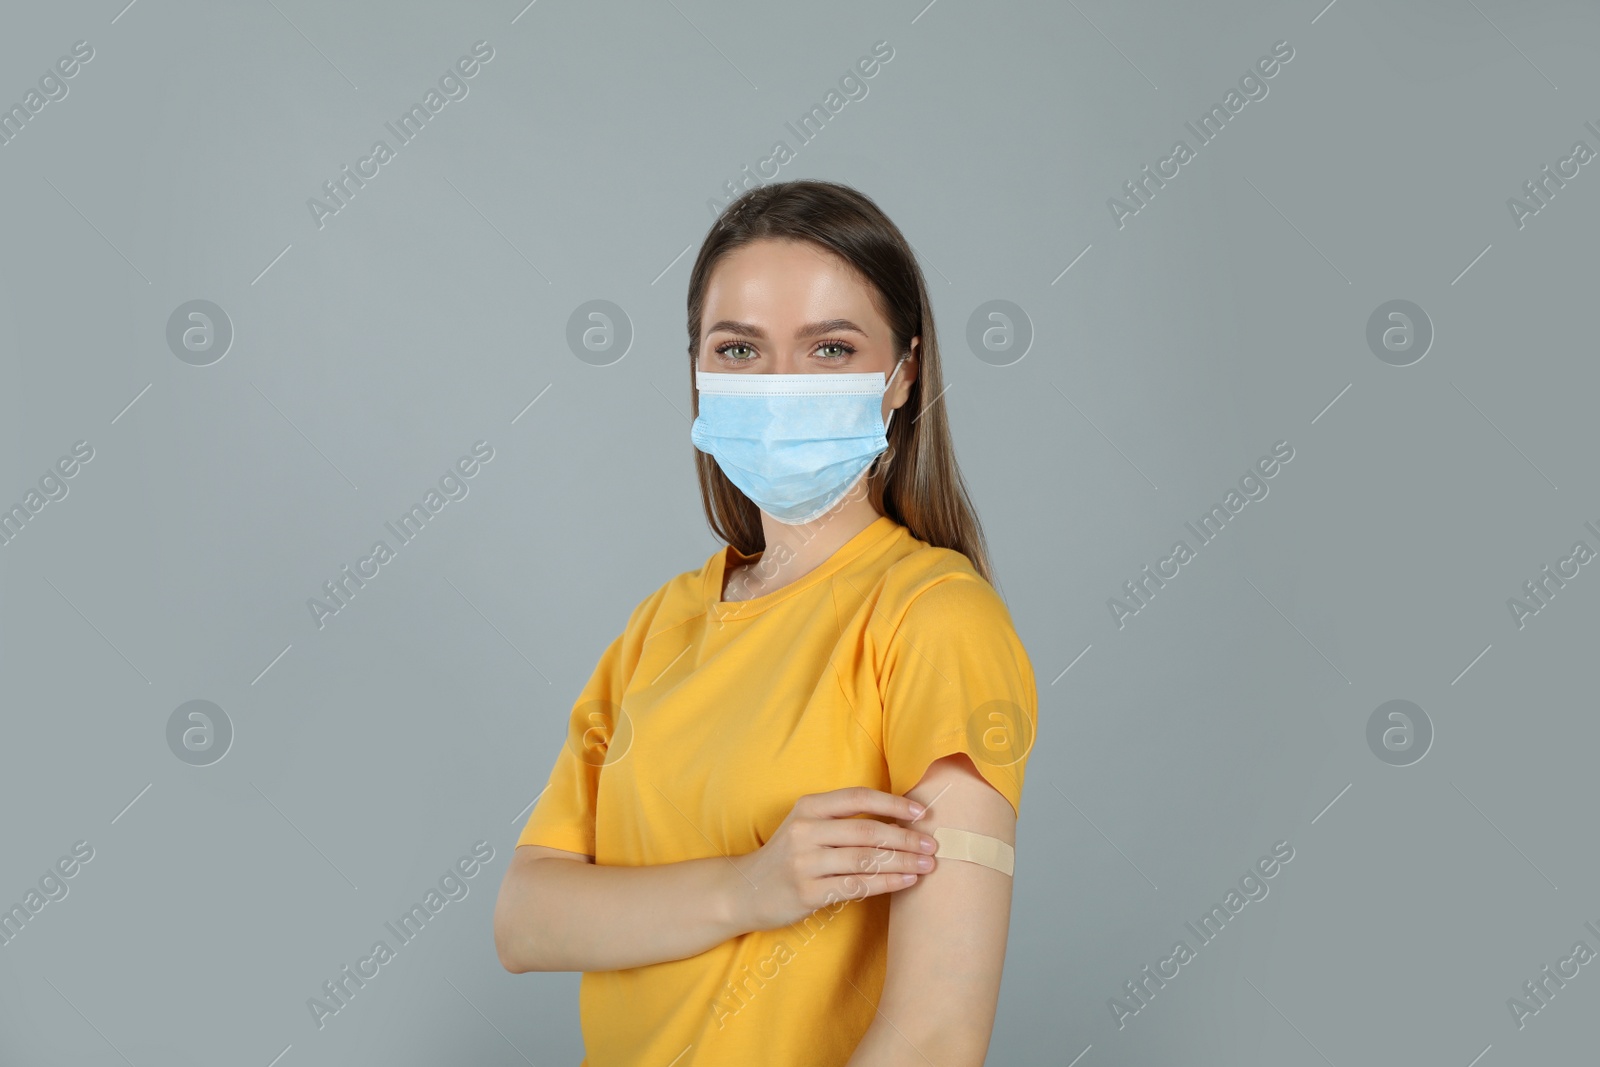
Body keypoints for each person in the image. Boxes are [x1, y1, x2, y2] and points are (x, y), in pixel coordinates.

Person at [493, 179, 1038, 1067]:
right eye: (740, 349)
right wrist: (749, 888)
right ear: (700, 373)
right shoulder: (660, 625)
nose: (781, 385)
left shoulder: (933, 619)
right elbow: (526, 920)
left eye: (830, 348)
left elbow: (936, 1035)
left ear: (904, 374)